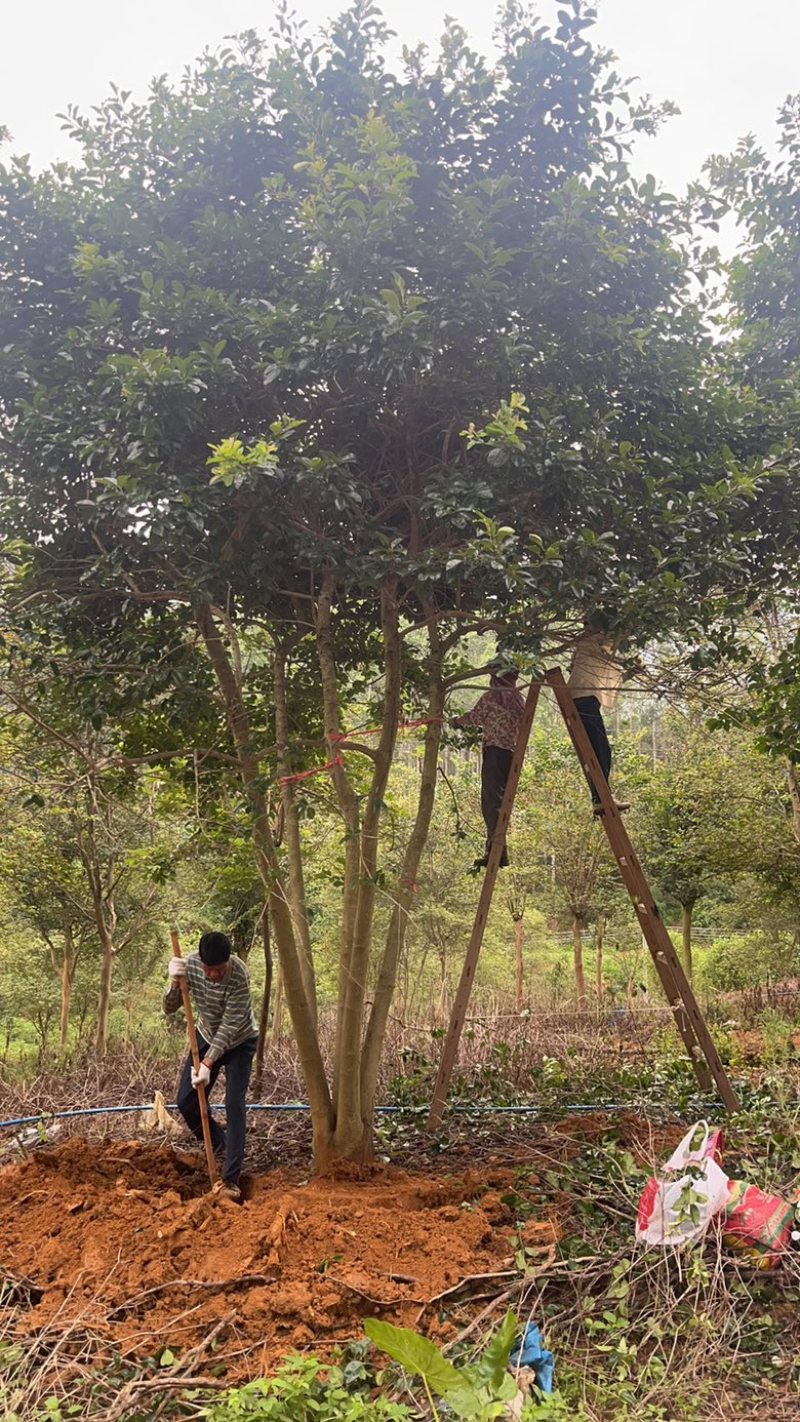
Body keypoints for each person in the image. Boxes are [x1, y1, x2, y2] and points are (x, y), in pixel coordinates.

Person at [164, 931, 258, 1201]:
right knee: (186, 1101)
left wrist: (208, 1062)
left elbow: (230, 1024)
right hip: (205, 1035)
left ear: (228, 962)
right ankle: (222, 1145)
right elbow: (170, 1008)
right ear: (201, 962)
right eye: (210, 969)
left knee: (234, 1104)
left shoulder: (239, 973)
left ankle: (231, 1178)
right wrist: (174, 982)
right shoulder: (190, 965)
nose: (215, 975)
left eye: (220, 969)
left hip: (240, 1040)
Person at [453, 665, 525, 870]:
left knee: (490, 802)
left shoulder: (493, 697)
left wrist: (456, 721)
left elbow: (475, 717)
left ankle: (496, 850)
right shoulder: (518, 699)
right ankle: (497, 849)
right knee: (499, 802)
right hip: (512, 756)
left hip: (495, 752)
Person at [567, 627, 630, 815]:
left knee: (599, 750)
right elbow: (618, 635)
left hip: (585, 699)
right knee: (601, 750)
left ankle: (600, 797)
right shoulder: (595, 640)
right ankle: (602, 797)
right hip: (583, 698)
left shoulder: (589, 645)